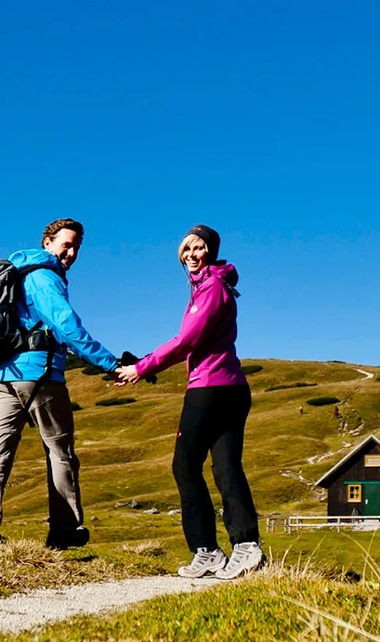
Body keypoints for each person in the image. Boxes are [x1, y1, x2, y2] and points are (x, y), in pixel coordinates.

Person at [115, 224, 262, 579]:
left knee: (184, 466)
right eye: (187, 249)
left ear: (210, 251)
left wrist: (142, 367)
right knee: (225, 468)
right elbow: (190, 340)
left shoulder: (211, 288)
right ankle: (246, 546)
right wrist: (146, 361)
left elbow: (186, 341)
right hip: (231, 388)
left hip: (209, 389)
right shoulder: (211, 287)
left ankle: (208, 550)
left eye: (198, 248)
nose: (191, 254)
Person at [0, 218, 121, 553]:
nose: (72, 252)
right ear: (47, 243)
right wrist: (110, 363)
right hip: (41, 376)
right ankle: (64, 531)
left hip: (4, 376)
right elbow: (66, 324)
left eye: (77, 246)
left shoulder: (16, 273)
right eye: (66, 244)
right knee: (60, 452)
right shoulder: (43, 275)